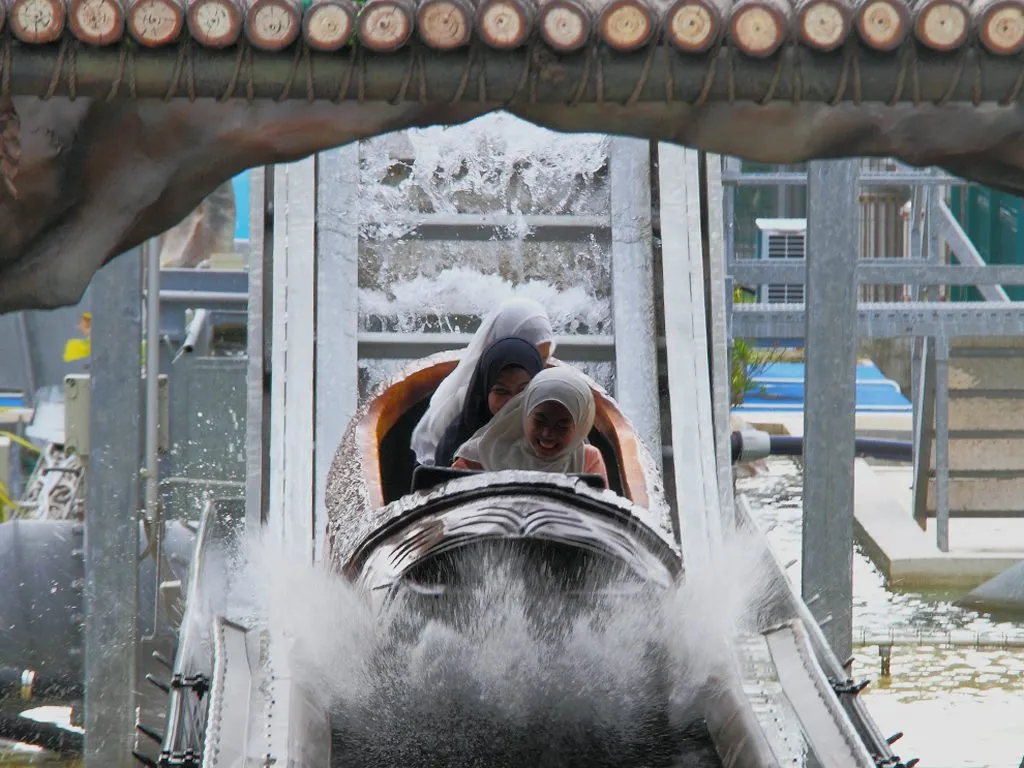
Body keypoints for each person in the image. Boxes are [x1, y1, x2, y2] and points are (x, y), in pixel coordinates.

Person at [411, 298, 555, 466]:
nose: (513, 400)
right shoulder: (463, 414)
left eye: (542, 359)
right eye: (502, 391)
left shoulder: (547, 404)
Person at [452, 367, 608, 484]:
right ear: (524, 413)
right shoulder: (478, 456)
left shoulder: (588, 460)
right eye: (539, 421)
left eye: (561, 427)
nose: (547, 434)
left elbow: (600, 519)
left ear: (580, 428)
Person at [433, 336, 545, 467]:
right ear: (484, 391)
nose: (513, 401)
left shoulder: (552, 434)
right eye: (501, 391)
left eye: (523, 390)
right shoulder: (457, 442)